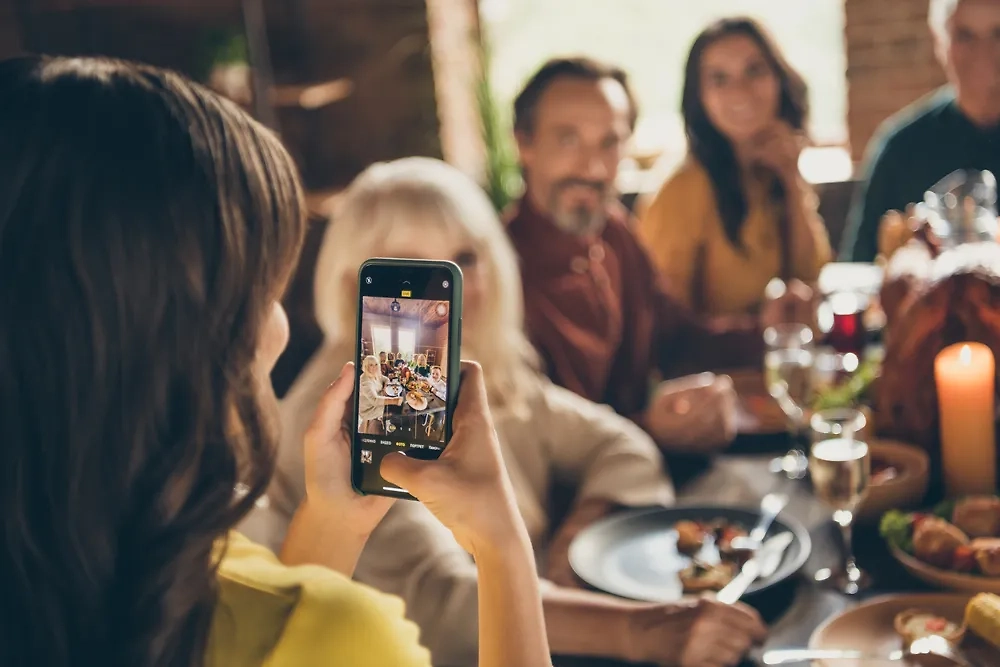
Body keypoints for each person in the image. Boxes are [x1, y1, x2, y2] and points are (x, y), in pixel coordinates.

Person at [0, 56, 552, 667]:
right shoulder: (346, 633)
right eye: (263, 291)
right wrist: (502, 547)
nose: (280, 330)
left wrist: (334, 523)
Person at [243, 157, 766, 667]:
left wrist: (574, 538)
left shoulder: (485, 368)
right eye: (412, 269)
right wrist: (640, 631)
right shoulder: (344, 415)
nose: (448, 296)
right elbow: (443, 602)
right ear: (350, 285)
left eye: (464, 259)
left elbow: (620, 445)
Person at [507, 56, 809, 453]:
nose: (593, 168)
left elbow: (678, 338)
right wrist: (649, 431)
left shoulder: (614, 232)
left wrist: (770, 332)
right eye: (568, 140)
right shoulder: (495, 272)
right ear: (524, 143)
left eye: (609, 143)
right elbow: (527, 440)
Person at [638, 18, 831, 316]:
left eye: (754, 70)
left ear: (779, 79)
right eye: (719, 79)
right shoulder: (683, 188)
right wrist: (757, 328)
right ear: (699, 97)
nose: (740, 91)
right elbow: (665, 325)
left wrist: (791, 178)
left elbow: (809, 279)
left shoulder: (770, 173)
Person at [841, 0, 1000, 262]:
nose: (983, 52)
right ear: (940, 42)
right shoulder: (900, 148)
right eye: (965, 36)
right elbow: (860, 265)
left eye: (997, 34)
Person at [359, 354, 403, 434]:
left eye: (376, 364)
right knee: (395, 408)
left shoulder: (375, 374)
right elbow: (375, 400)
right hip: (369, 408)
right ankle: (390, 428)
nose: (374, 367)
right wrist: (394, 400)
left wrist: (385, 387)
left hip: (379, 398)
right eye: (371, 365)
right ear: (366, 367)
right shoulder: (365, 381)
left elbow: (386, 379)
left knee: (399, 404)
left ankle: (392, 423)